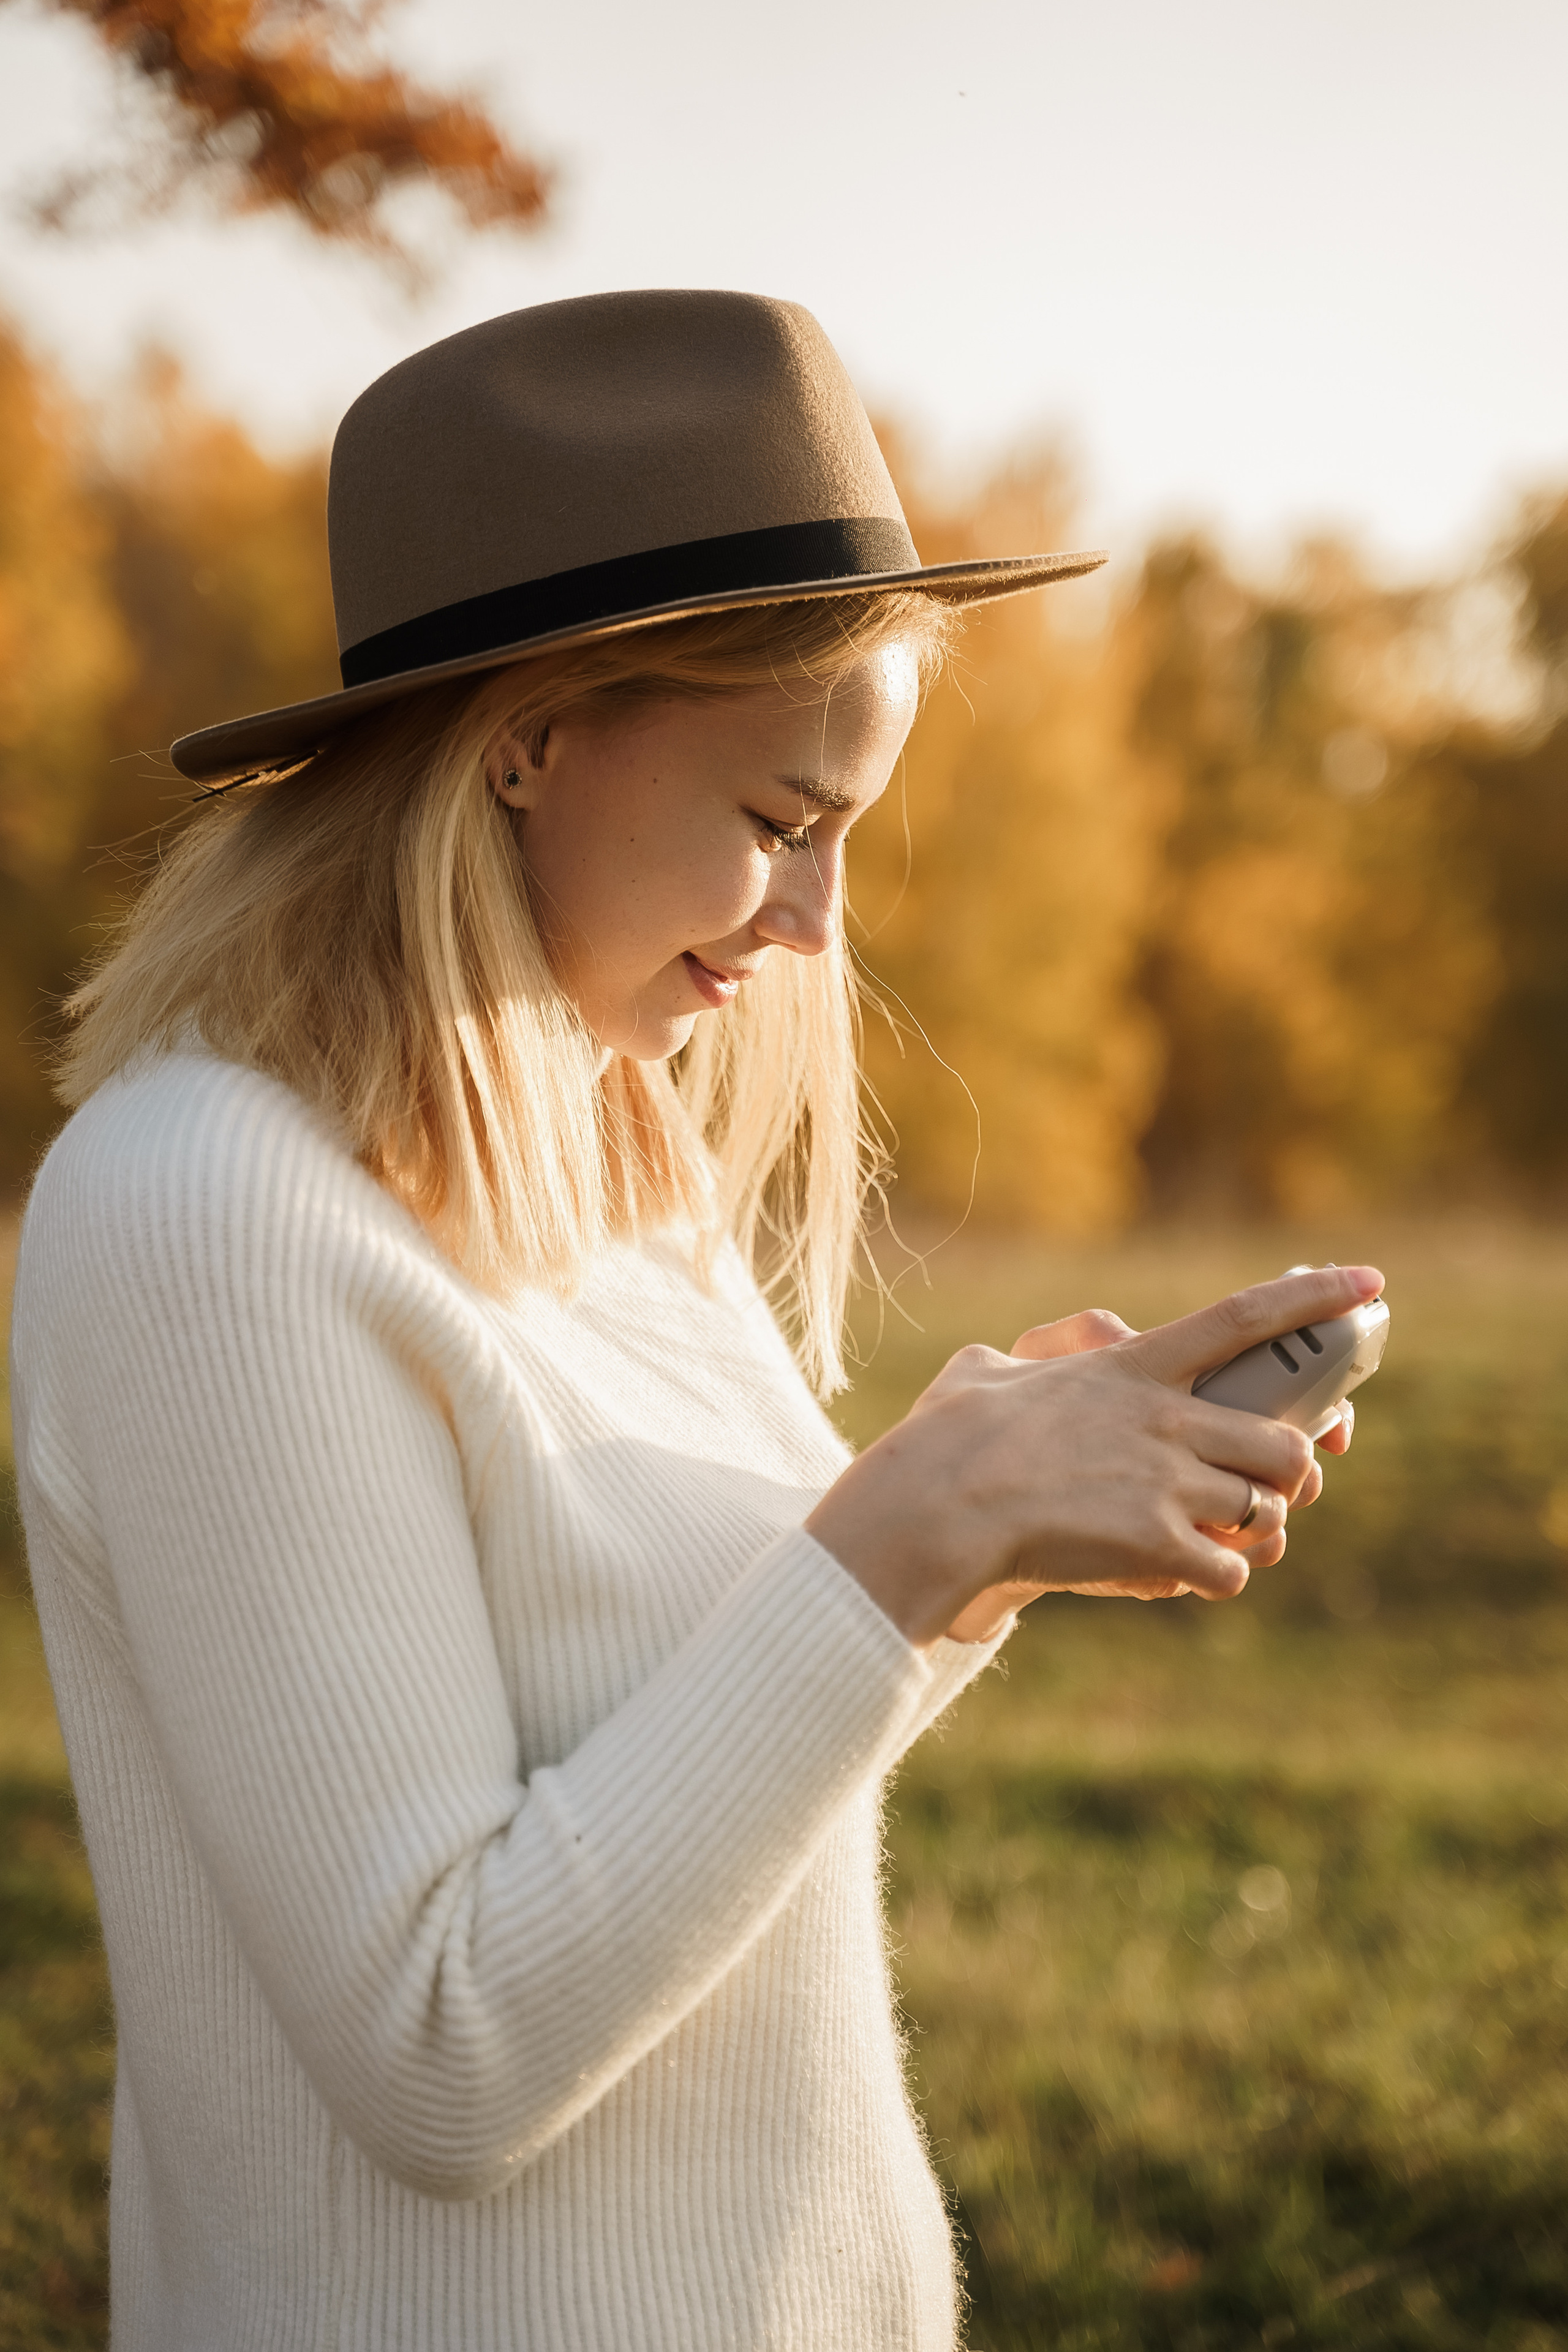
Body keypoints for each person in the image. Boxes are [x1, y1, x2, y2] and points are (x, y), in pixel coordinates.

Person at [9, 290, 1375, 2352]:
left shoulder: (598, 1149)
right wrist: (902, 1535)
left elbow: (694, 1785)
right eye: (779, 824)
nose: (819, 929)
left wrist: (980, 1539)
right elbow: (445, 2047)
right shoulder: (205, 1206)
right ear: (531, 739)